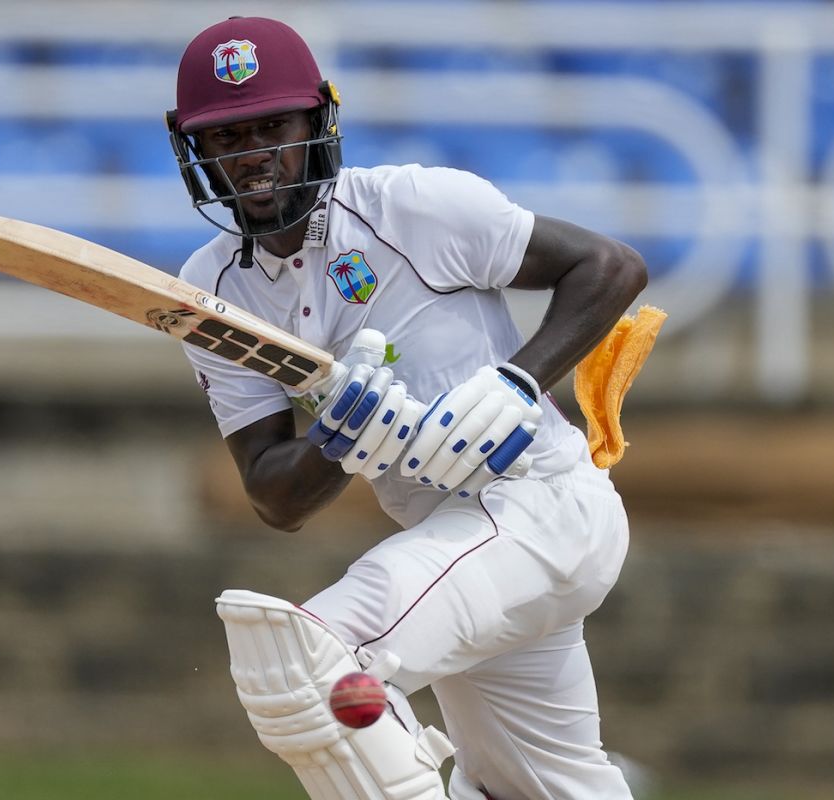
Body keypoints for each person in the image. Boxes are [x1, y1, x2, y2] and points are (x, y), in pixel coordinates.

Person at [167, 16, 649, 800]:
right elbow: (275, 495)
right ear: (193, 147)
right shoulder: (214, 289)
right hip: (454, 544)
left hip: (544, 505)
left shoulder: (415, 207)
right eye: (226, 138)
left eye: (272, 127)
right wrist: (341, 437)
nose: (253, 158)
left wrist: (516, 383)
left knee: (308, 658)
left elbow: (611, 267)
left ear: (317, 120)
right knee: (538, 790)